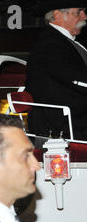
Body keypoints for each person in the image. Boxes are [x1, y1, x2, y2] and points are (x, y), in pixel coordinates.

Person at [26, 1, 87, 140]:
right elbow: (75, 78)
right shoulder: (50, 44)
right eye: (78, 12)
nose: (84, 17)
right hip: (62, 127)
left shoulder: (69, 43)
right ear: (58, 15)